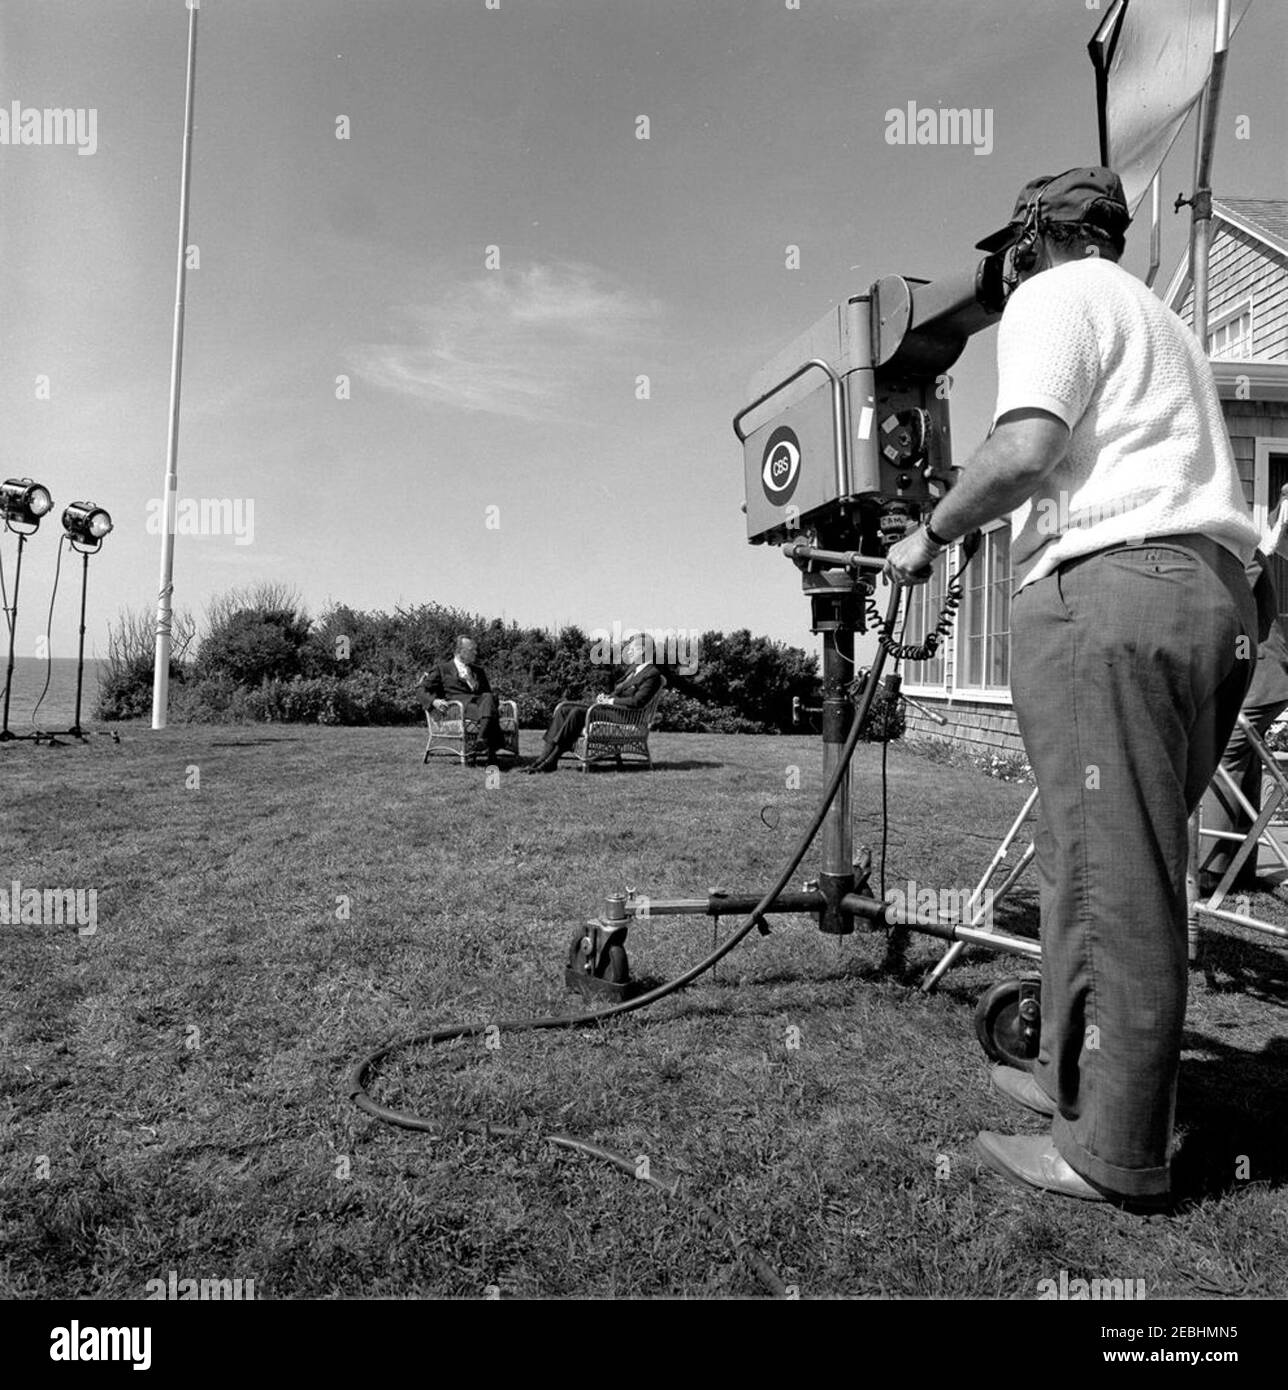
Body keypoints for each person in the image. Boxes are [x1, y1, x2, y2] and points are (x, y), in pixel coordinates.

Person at [885, 167, 1260, 1209]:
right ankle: (1069, 1076)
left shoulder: (1053, 296)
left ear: (1029, 241)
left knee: (1110, 879)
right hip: (1210, 601)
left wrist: (930, 532)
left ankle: (1110, 1150)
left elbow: (1026, 446)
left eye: (1007, 251)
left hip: (1116, 590)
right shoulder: (1160, 320)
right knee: (1091, 859)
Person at [1200, 485, 1288, 893]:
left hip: (1261, 677)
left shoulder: (1244, 554)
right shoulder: (1247, 551)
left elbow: (1226, 603)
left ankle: (1210, 869)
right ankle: (1242, 866)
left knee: (1223, 756)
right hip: (1270, 678)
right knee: (1247, 761)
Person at [525, 632, 663, 773]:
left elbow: (638, 702)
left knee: (578, 713)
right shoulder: (633, 669)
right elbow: (620, 691)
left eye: (632, 649)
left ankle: (552, 760)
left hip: (627, 717)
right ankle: (541, 759)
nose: (629, 651)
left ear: (644, 651)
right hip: (613, 710)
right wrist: (606, 698)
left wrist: (611, 701)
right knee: (564, 709)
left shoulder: (652, 674)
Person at [418, 636, 506, 766]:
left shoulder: (478, 671)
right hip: (458, 709)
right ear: (460, 652)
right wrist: (434, 701)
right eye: (472, 650)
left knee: (489, 698)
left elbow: (487, 693)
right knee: (491, 710)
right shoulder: (442, 669)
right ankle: (491, 751)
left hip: (479, 706)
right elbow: (420, 689)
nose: (476, 653)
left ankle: (481, 739)